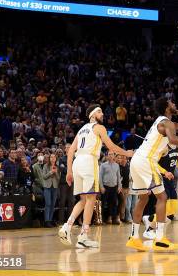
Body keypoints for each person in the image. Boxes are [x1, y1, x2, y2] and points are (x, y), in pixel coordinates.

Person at [126, 97, 178, 252]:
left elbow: (173, 127)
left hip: (136, 160)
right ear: (167, 107)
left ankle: (134, 237)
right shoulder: (166, 122)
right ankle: (159, 238)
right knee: (162, 197)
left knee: (143, 198)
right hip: (147, 161)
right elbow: (172, 137)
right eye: (172, 102)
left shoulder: (162, 121)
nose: (174, 104)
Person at [58, 104, 134, 249]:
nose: (102, 114)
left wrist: (69, 171)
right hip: (89, 161)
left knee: (84, 199)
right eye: (99, 112)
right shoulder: (99, 127)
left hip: (77, 163)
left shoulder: (81, 130)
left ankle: (68, 227)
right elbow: (111, 147)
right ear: (92, 115)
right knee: (91, 198)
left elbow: (70, 151)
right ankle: (82, 236)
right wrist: (128, 154)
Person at [99, 151, 122, 224]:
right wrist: (101, 187)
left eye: (112, 154)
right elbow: (100, 177)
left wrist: (119, 186)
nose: (111, 156)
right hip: (105, 187)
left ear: (114, 156)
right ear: (107, 156)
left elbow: (118, 176)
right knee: (103, 203)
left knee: (114, 203)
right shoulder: (103, 165)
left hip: (114, 187)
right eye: (109, 154)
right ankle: (102, 219)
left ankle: (114, 219)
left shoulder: (116, 165)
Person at [43, 153, 61, 227]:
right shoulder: (46, 166)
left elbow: (59, 178)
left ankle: (50, 220)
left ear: (56, 159)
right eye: (51, 157)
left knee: (53, 204)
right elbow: (44, 176)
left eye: (54, 157)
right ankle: (46, 221)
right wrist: (51, 172)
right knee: (48, 204)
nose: (52, 158)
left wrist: (56, 172)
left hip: (55, 187)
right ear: (49, 158)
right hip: (47, 187)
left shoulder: (57, 167)